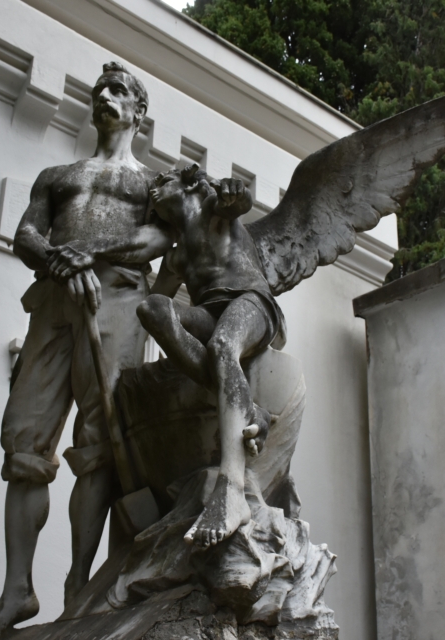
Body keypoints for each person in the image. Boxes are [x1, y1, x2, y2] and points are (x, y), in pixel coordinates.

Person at [0, 62, 172, 639]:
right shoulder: (57, 175)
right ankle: (17, 590)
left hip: (116, 302)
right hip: (56, 302)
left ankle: (80, 587)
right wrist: (63, 258)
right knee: (25, 439)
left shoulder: (150, 184)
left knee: (101, 443)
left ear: (139, 113)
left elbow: (160, 237)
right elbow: (28, 234)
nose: (105, 96)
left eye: (119, 91)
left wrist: (91, 252)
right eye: (100, 90)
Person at [136, 163, 284, 550]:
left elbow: (239, 201)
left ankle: (231, 489)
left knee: (223, 346)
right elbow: (155, 296)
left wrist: (235, 193)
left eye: (161, 181)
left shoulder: (215, 211)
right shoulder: (177, 256)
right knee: (152, 309)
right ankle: (253, 411)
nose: (154, 189)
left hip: (250, 304)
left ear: (188, 184)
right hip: (207, 314)